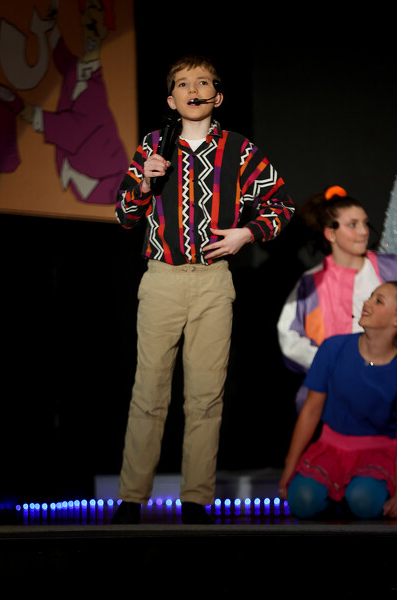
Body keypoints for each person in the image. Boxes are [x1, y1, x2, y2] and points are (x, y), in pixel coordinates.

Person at [112, 55, 294, 524]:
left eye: (203, 82)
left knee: (206, 395)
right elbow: (124, 216)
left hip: (213, 281)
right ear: (171, 100)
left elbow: (280, 205)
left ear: (218, 95)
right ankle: (131, 498)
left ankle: (196, 499)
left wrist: (246, 234)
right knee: (149, 391)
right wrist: (145, 182)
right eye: (182, 84)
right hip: (162, 279)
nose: (193, 90)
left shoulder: (239, 149)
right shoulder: (153, 146)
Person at [278, 281, 397, 520]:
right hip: (332, 449)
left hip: (379, 452)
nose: (367, 302)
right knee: (301, 500)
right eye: (371, 296)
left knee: (364, 500)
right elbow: (311, 410)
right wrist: (290, 466)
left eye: (378, 301)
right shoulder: (334, 348)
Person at [277, 186, 397, 411]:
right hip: (331, 396)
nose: (363, 231)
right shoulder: (311, 283)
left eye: (365, 223)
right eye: (352, 225)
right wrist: (332, 364)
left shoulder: (390, 269)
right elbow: (289, 338)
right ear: (330, 234)